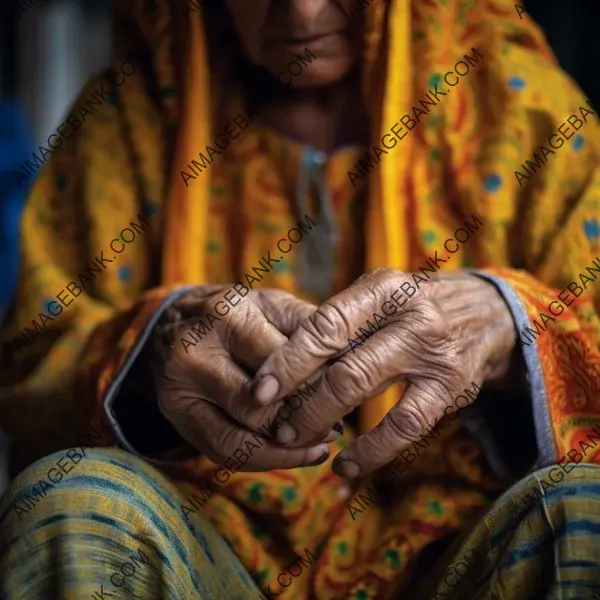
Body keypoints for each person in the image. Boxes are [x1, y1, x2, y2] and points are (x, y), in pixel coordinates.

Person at [0, 0, 599, 598]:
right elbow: (34, 365)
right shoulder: (131, 116)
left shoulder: (524, 109)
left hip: (468, 552)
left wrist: (511, 325)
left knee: (583, 513)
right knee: (71, 505)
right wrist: (150, 350)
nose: (304, 10)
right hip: (211, 540)